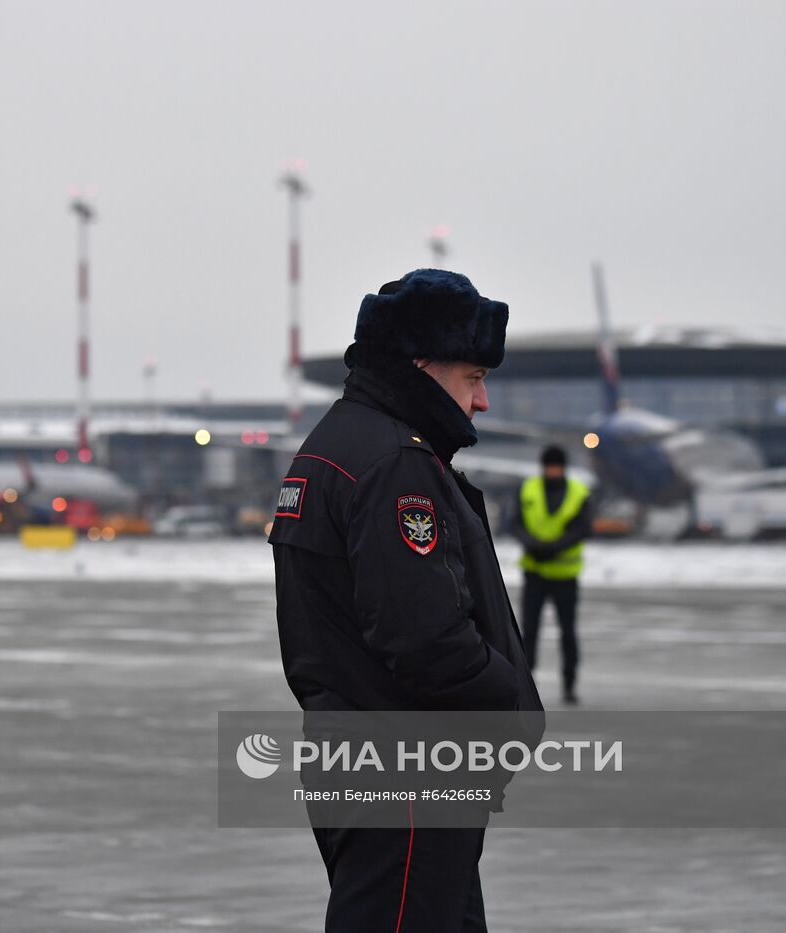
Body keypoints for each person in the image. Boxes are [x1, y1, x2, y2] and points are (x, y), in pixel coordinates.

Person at [269, 268, 543, 933]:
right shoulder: (396, 463)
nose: (481, 401)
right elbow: (424, 638)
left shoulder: (338, 444)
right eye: (473, 377)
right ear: (422, 366)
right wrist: (506, 695)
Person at [510, 445, 592, 705]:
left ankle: (569, 684)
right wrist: (531, 544)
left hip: (565, 574)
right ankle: (526, 686)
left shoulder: (579, 492)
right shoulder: (528, 489)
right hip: (534, 572)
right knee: (529, 633)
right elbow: (514, 523)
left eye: (557, 466)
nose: (553, 471)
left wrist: (554, 547)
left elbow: (583, 528)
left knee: (567, 633)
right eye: (549, 466)